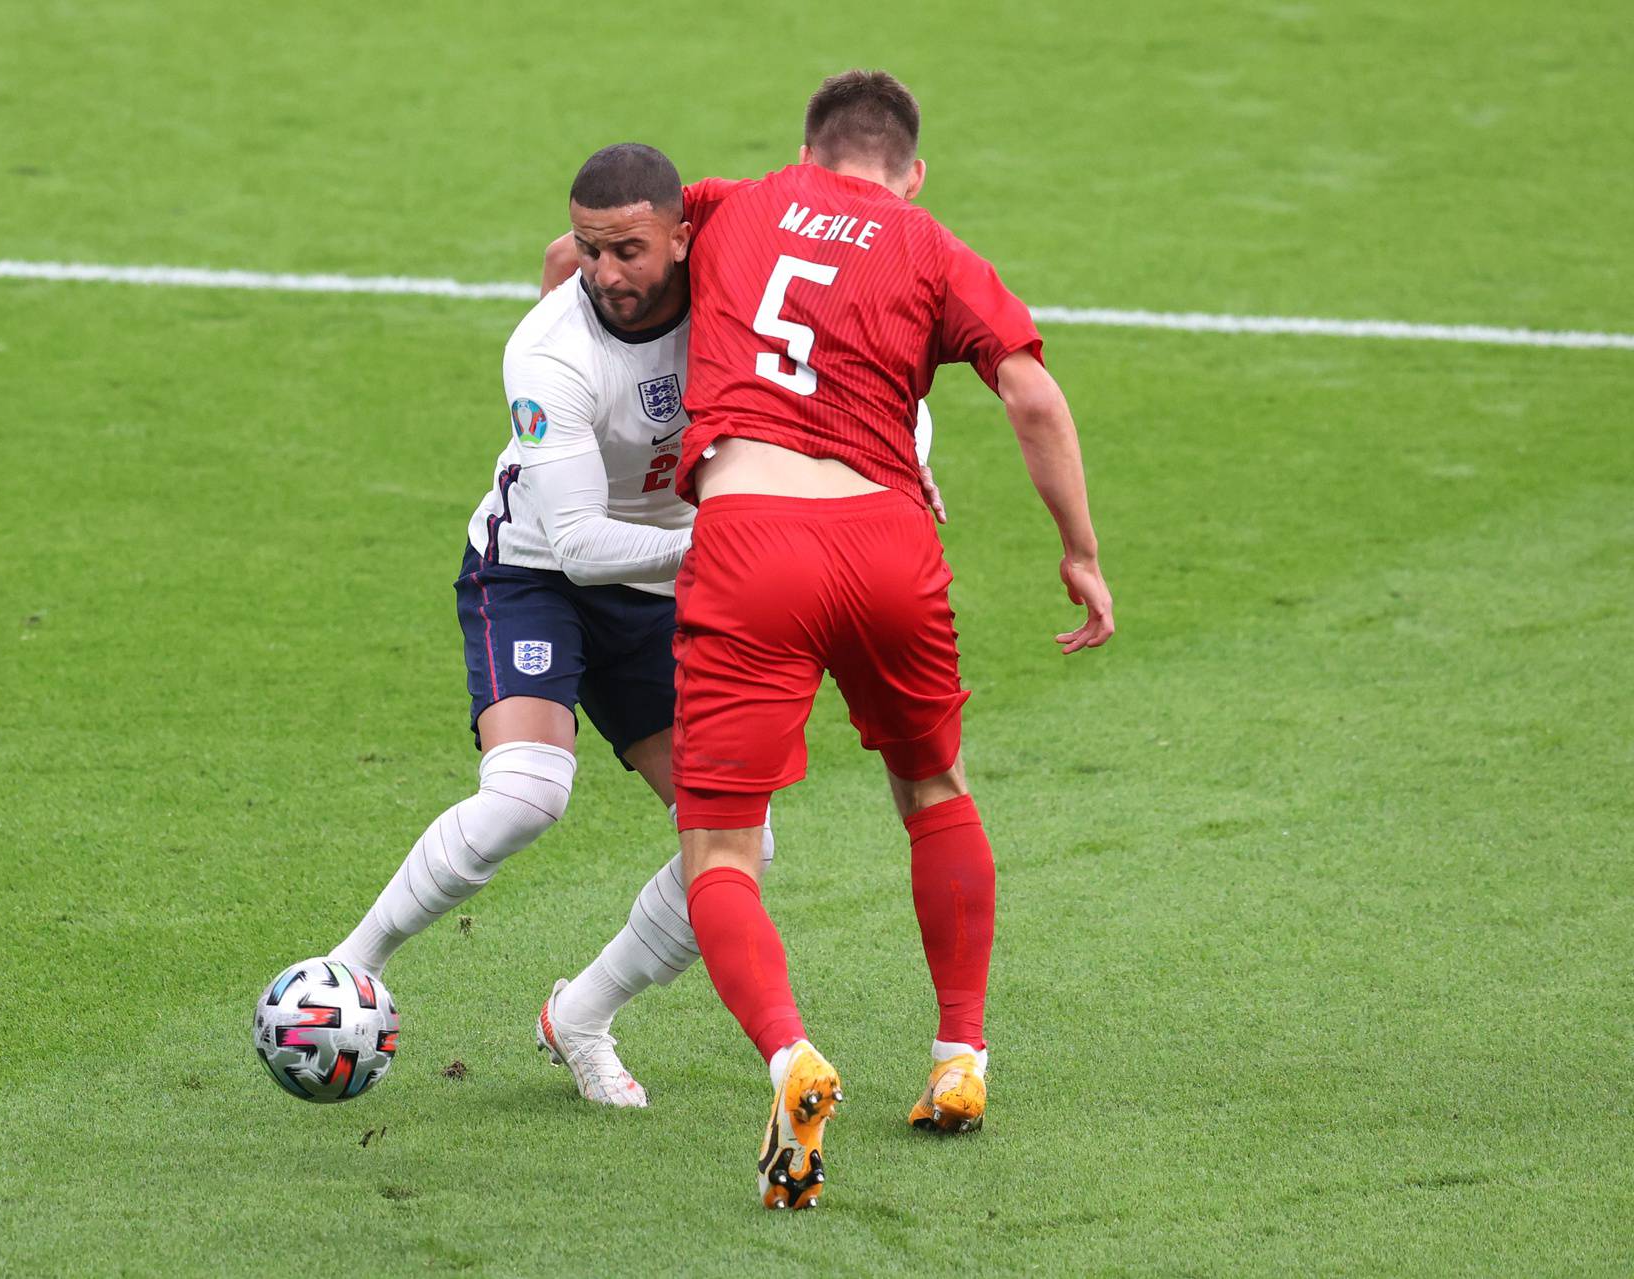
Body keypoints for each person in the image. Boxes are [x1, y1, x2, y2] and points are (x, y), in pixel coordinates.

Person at [668, 70, 1116, 1209]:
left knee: (720, 852)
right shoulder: (929, 242)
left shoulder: (730, 202)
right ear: (910, 171)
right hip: (886, 539)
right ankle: (959, 1055)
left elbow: (601, 251)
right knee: (932, 782)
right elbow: (1034, 397)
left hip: (750, 534)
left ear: (806, 152)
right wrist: (1080, 550)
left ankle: (788, 1055)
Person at [326, 142, 776, 1108]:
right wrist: (735, 533)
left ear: (682, 238)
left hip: (661, 593)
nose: (604, 274)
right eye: (587, 249)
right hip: (534, 569)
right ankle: (344, 973)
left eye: (629, 251)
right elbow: (577, 544)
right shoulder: (548, 349)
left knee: (740, 846)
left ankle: (583, 1012)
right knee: (527, 793)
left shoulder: (735, 292)